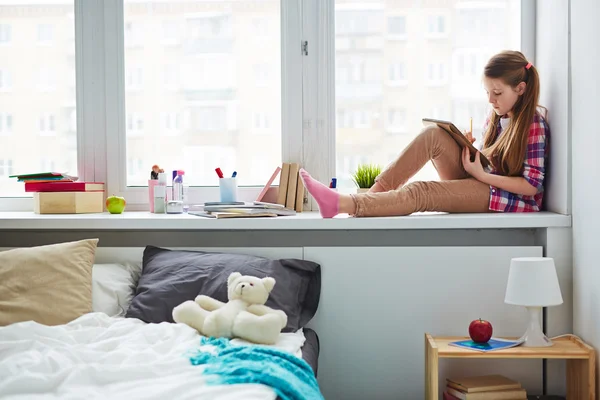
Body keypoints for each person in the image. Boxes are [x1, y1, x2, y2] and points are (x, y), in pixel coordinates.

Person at [299, 50, 550, 218]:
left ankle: (341, 204)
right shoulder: (496, 116)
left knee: (422, 192)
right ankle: (371, 199)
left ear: (520, 88)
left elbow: (531, 186)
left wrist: (480, 174)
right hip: (483, 181)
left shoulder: (533, 124)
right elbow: (493, 162)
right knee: (433, 135)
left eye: (497, 92)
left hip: (506, 199)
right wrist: (473, 150)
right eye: (487, 92)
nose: (491, 99)